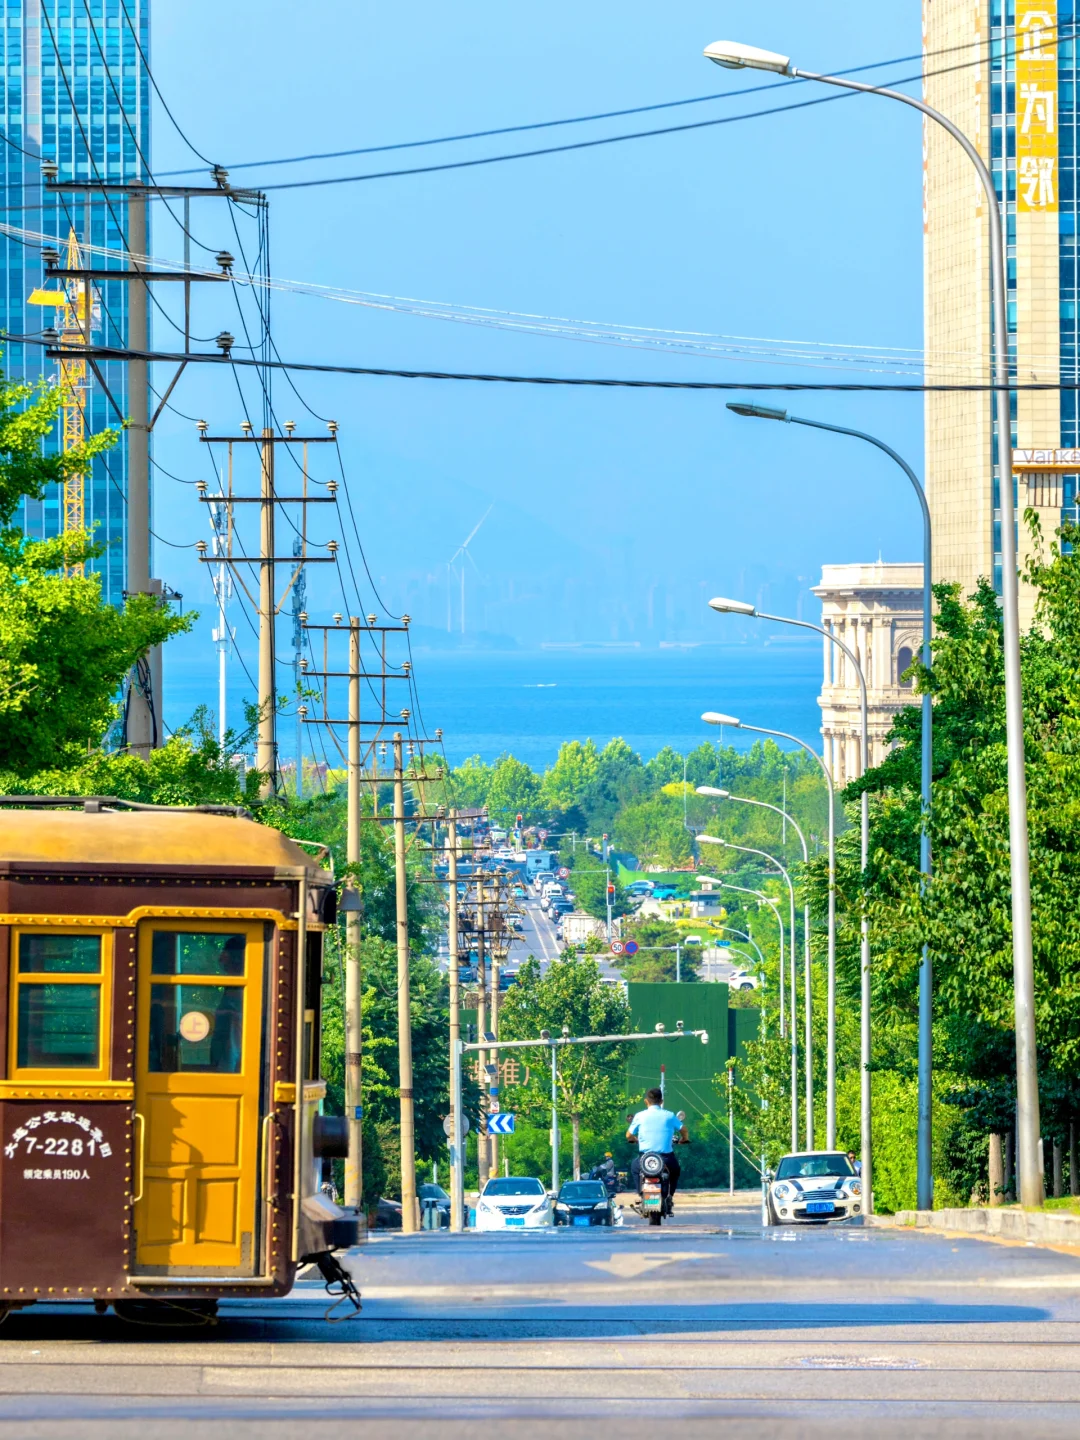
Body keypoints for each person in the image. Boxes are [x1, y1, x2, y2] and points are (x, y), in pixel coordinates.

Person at [626, 1088, 689, 1203]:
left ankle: (641, 1193)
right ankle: (670, 1196)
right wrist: (684, 1139)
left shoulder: (640, 1116)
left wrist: (635, 1140)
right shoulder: (669, 1115)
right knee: (675, 1171)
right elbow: (683, 1129)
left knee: (635, 1168)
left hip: (644, 1159)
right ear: (661, 1101)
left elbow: (628, 1135)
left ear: (646, 1101)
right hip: (666, 1159)